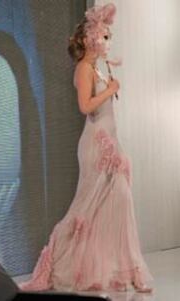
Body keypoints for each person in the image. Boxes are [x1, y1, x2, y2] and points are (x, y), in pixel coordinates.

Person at [19, 3, 153, 293]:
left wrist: (109, 87)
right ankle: (56, 264)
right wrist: (111, 90)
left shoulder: (98, 69)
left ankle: (125, 268)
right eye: (103, 36)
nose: (107, 41)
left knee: (119, 202)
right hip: (95, 147)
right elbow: (85, 107)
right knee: (86, 208)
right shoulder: (84, 69)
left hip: (111, 145)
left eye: (108, 36)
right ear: (89, 39)